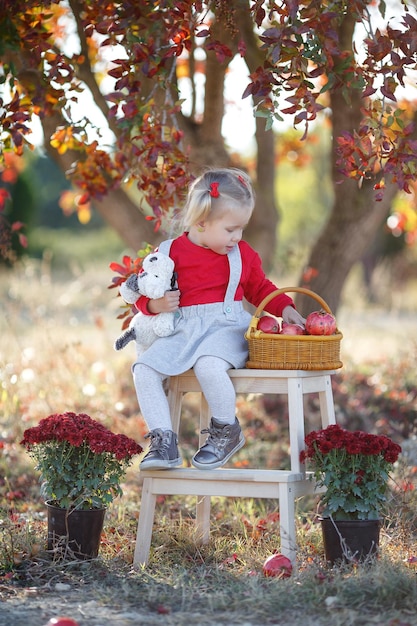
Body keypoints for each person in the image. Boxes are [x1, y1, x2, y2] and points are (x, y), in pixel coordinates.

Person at [130, 167, 305, 471]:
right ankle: (163, 442)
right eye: (230, 229)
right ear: (201, 222)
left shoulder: (242, 254)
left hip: (225, 330)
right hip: (183, 333)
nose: (237, 237)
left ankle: (226, 430)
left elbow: (260, 287)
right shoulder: (169, 253)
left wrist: (284, 307)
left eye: (241, 229)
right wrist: (155, 305)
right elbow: (146, 290)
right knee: (143, 369)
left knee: (209, 365)